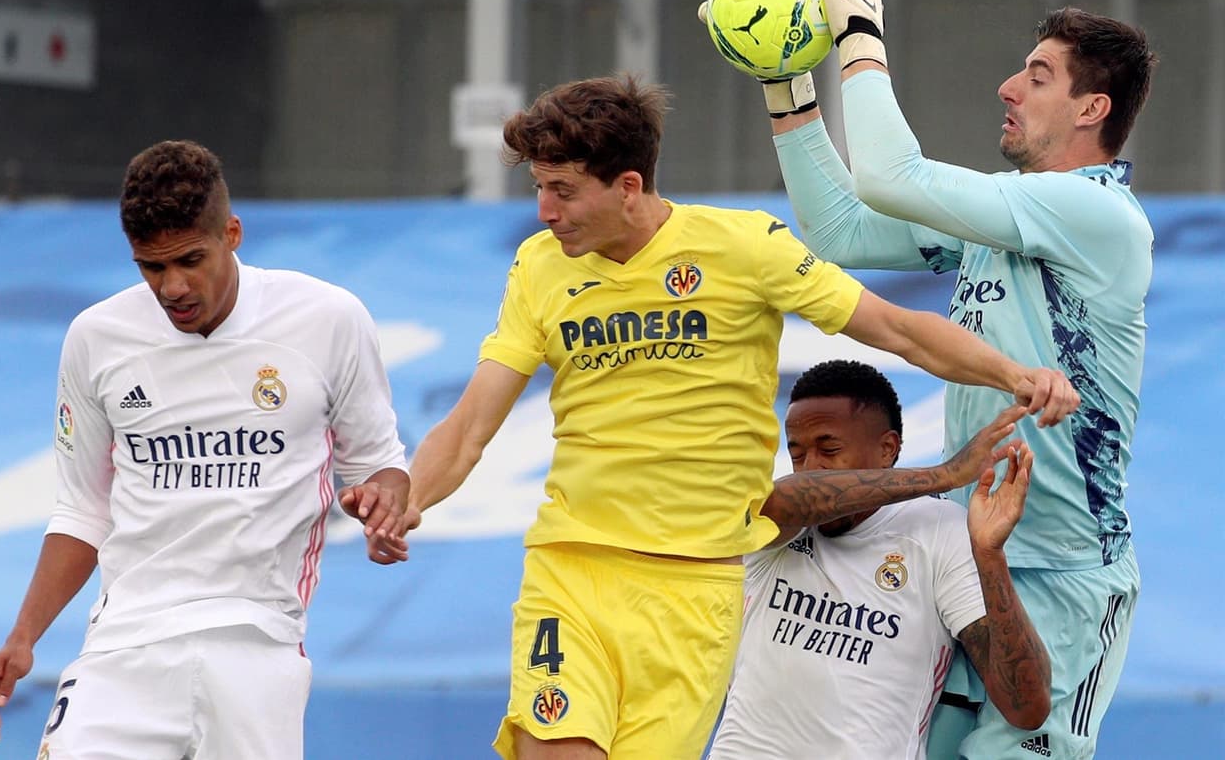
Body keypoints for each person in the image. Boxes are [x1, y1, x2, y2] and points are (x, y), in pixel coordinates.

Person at [381, 74, 1078, 760]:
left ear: (628, 186)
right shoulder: (539, 267)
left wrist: (1017, 374)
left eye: (562, 190)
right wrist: (406, 501)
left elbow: (896, 328)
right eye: (537, 187)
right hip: (574, 571)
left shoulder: (745, 247)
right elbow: (470, 425)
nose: (543, 211)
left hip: (700, 589)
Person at [750, 0, 1158, 759]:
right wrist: (786, 76)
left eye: (1037, 76)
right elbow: (840, 229)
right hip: (966, 556)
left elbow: (892, 177)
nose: (1009, 86)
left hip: (1066, 577)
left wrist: (858, 27)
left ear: (1092, 109)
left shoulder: (1098, 216)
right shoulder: (1010, 215)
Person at [0, 140, 415, 757]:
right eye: (151, 267)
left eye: (190, 260)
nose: (172, 286)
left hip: (257, 643)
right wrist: (24, 637)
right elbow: (81, 511)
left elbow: (380, 465)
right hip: (125, 645)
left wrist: (382, 507)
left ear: (232, 233)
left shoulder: (329, 318)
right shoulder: (96, 338)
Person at [709, 359, 1050, 760]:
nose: (810, 468)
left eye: (829, 449)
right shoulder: (775, 522)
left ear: (887, 448)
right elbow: (791, 496)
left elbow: (1027, 707)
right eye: (797, 454)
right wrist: (946, 474)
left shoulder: (938, 530)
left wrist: (989, 556)